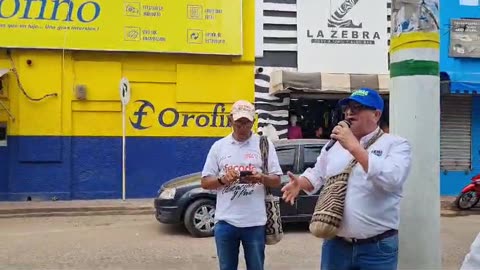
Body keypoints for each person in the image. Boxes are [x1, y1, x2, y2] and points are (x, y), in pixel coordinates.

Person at [281, 88, 412, 270]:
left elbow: (393, 178)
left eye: (357, 107)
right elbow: (317, 174)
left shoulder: (396, 144)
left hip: (377, 248)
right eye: (348, 108)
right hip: (336, 246)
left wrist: (354, 147)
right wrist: (300, 183)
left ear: (376, 114)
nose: (350, 112)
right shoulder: (334, 145)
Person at [201, 100, 283, 270]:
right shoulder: (219, 147)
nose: (242, 127)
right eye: (238, 122)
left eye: (246, 123)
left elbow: (276, 180)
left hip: (255, 222)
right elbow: (205, 182)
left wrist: (260, 177)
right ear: (231, 120)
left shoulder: (264, 145)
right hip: (225, 222)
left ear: (253, 122)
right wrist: (223, 180)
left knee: (256, 267)